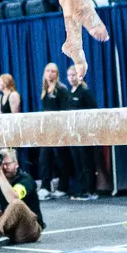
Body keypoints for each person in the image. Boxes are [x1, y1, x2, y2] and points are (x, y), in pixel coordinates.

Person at [38, 62, 71, 200]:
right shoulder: (45, 89)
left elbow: (65, 112)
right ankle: (45, 187)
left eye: (53, 71)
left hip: (59, 130)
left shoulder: (61, 89)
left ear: (57, 74)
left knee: (61, 158)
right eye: (48, 71)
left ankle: (63, 187)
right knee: (44, 159)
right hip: (47, 130)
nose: (50, 73)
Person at [66, 65, 98, 201]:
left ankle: (90, 190)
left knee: (86, 162)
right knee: (77, 162)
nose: (71, 78)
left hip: (84, 133)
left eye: (74, 75)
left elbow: (94, 109)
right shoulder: (70, 92)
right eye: (69, 75)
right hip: (73, 133)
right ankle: (81, 189)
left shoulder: (84, 91)